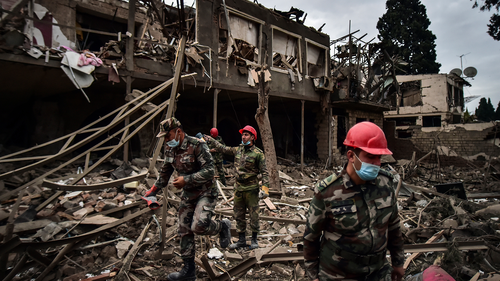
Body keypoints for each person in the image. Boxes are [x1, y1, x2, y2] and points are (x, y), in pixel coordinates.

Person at [303, 121, 405, 281]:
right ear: (351, 156)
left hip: (378, 272)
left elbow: (394, 227)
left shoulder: (385, 184)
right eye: (371, 157)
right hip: (338, 274)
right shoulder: (327, 192)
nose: (377, 164)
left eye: (379, 157)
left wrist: (398, 263)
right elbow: (311, 237)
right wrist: (313, 275)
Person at [142, 117, 231, 281]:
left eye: (167, 136)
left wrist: (186, 180)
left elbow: (210, 171)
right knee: (184, 229)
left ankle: (222, 226)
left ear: (178, 131)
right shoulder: (170, 149)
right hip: (188, 194)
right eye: (164, 138)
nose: (166, 140)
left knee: (198, 226)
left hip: (206, 192)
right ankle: (188, 271)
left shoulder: (197, 145)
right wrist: (153, 190)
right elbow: (165, 171)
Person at [204, 125, 269, 250]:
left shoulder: (258, 154)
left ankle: (254, 239)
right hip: (238, 189)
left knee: (254, 215)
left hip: (251, 190)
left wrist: (265, 188)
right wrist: (211, 140)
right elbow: (222, 148)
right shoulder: (238, 150)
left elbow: (265, 172)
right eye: (243, 134)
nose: (243, 137)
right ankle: (241, 240)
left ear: (252, 137)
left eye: (246, 135)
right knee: (238, 215)